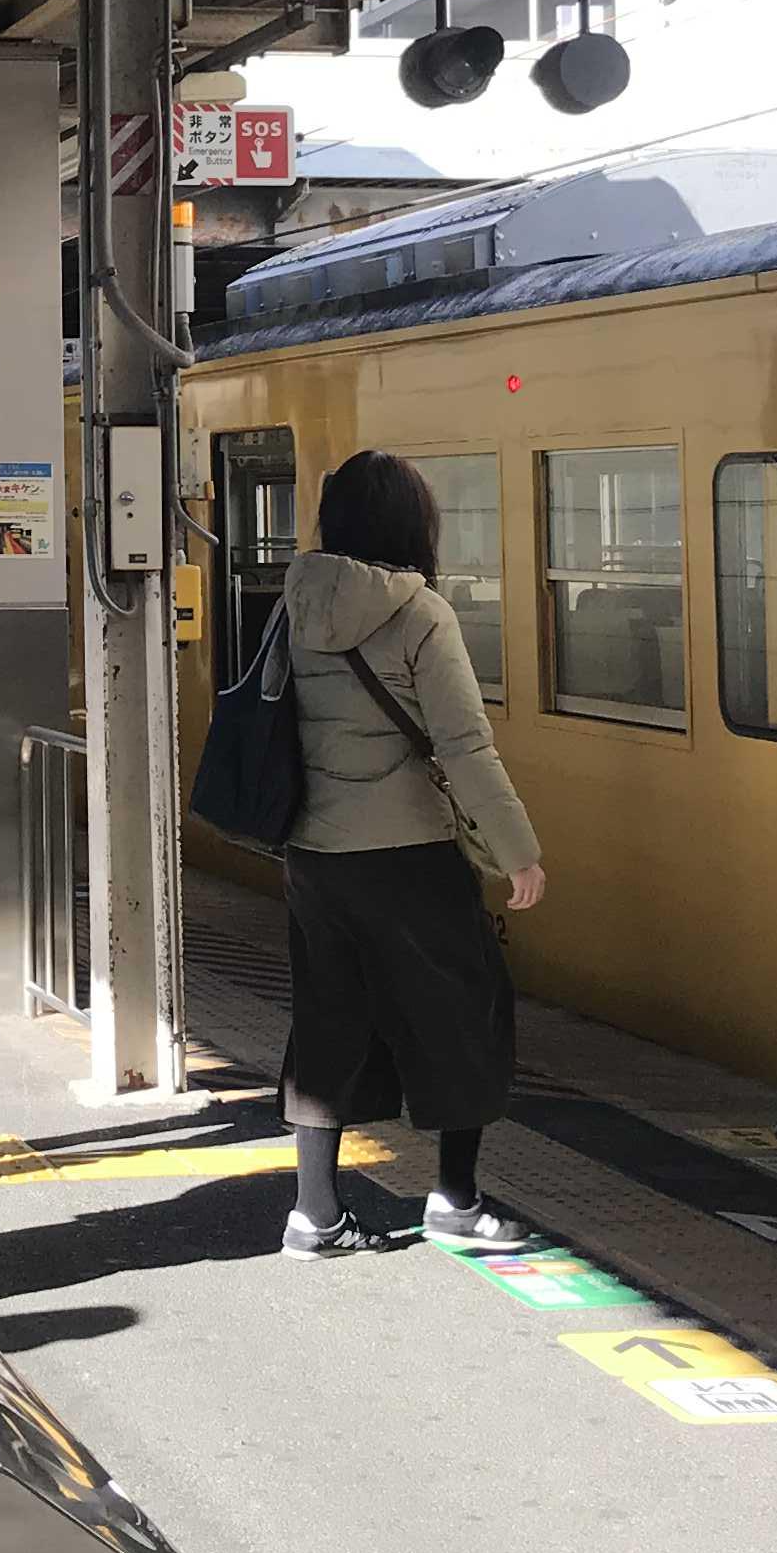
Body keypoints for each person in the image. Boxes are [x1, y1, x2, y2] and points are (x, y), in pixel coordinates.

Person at [278, 449, 546, 1258]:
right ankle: (456, 1200)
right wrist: (519, 853)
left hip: (313, 852)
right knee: (464, 1012)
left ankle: (315, 1215)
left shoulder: (294, 600)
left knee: (329, 1020)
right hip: (409, 852)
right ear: (411, 524)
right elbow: (464, 745)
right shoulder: (422, 613)